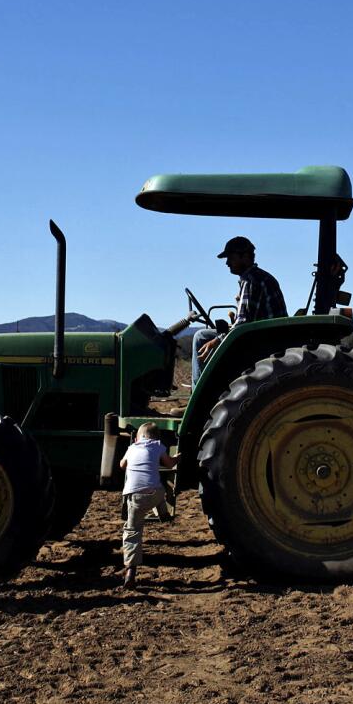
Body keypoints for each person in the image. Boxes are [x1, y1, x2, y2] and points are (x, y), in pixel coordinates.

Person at [191, 236, 287, 385]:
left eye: (231, 257)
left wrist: (217, 340)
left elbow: (243, 323)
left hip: (264, 342)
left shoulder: (252, 280)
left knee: (201, 338)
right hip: (263, 336)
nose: (227, 263)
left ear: (245, 256)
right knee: (206, 335)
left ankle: (198, 397)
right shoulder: (256, 277)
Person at [118, 422, 178, 587]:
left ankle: (131, 570)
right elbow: (170, 464)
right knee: (160, 490)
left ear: (137, 438)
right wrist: (178, 457)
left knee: (133, 531)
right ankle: (163, 513)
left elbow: (122, 465)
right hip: (155, 495)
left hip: (135, 497)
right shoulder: (159, 446)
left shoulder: (132, 447)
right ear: (156, 438)